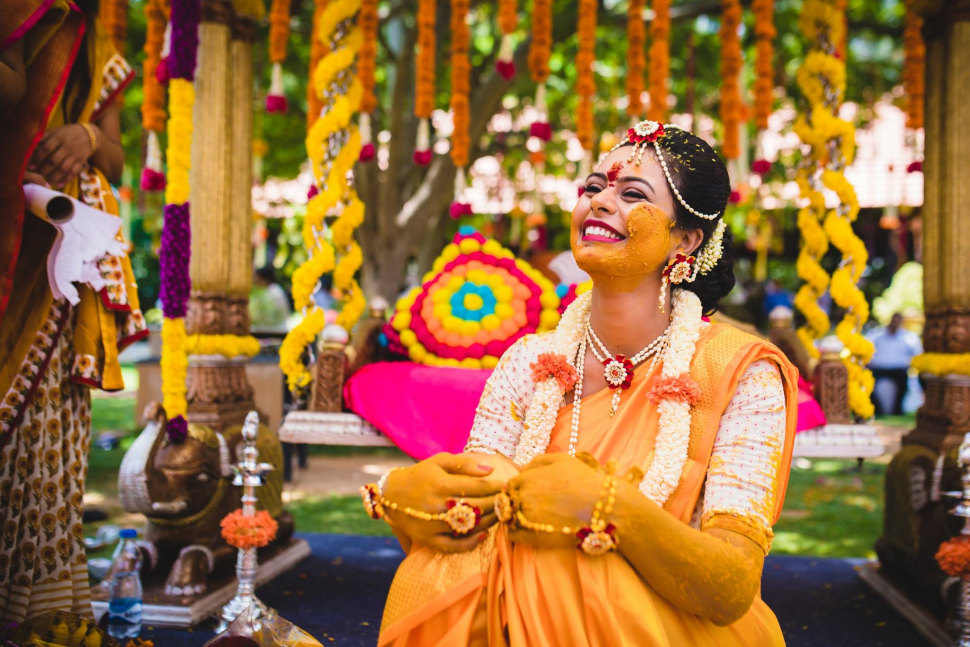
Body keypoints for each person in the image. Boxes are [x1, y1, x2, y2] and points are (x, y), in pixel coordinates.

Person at [361, 121, 798, 646]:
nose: (601, 201)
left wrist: (611, 510)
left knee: (557, 565)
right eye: (593, 188)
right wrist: (402, 497)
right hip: (513, 611)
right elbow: (472, 522)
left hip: (666, 624)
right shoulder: (530, 359)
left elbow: (730, 586)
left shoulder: (740, 371)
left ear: (686, 239)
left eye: (631, 193)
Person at [0, 0, 144, 622]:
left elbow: (115, 157)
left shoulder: (89, 39)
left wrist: (85, 136)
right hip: (12, 233)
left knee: (51, 417)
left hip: (64, 257)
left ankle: (41, 611)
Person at [866, 313, 922, 416]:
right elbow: (866, 349)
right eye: (894, 320)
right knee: (868, 384)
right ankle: (877, 410)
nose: (895, 323)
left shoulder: (908, 337)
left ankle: (897, 411)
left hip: (898, 369)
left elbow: (918, 353)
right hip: (878, 368)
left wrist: (910, 363)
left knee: (903, 386)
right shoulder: (877, 335)